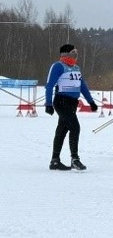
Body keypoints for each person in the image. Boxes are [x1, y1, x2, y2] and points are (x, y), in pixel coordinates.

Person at [44, 43, 97, 171]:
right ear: (66, 54)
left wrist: (91, 101)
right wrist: (48, 104)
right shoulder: (58, 66)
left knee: (62, 130)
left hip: (72, 103)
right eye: (73, 53)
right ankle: (75, 159)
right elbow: (49, 85)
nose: (76, 55)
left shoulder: (76, 68)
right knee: (75, 127)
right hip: (62, 102)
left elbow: (82, 85)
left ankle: (55, 160)